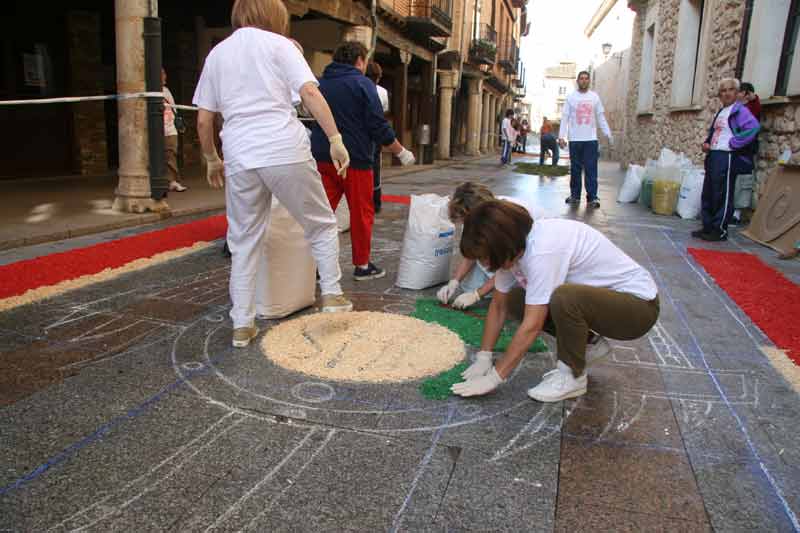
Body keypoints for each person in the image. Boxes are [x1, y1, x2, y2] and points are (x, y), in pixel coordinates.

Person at [193, 0, 354, 348]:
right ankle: (331, 293)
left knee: (244, 242)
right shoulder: (280, 45)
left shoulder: (217, 54)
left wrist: (211, 159)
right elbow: (310, 92)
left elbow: (204, 119)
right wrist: (335, 139)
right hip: (284, 149)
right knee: (320, 223)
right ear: (274, 15)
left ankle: (242, 324)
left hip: (239, 154)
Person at [450, 200, 660, 402]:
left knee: (565, 298)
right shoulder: (514, 247)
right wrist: (484, 357)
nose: (485, 265)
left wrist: (494, 377)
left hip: (637, 309)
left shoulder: (542, 250)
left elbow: (532, 325)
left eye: (485, 258)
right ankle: (589, 345)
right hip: (604, 304)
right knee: (516, 299)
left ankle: (572, 376)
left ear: (502, 246)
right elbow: (498, 305)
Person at [311, 41, 415, 281]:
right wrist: (400, 151)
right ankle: (362, 265)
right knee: (361, 214)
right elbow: (377, 124)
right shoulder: (363, 84)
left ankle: (316, 267)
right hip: (356, 160)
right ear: (360, 60)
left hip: (323, 158)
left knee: (322, 214)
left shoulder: (320, 84)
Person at [437, 182, 535, 309]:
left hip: (523, 257)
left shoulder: (505, 221)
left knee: (507, 298)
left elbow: (507, 264)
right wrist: (455, 281)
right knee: (469, 286)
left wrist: (477, 294)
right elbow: (473, 251)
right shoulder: (476, 218)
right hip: (506, 254)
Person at [693, 78, 760, 242]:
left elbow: (754, 127)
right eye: (723, 90)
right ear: (720, 94)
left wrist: (734, 143)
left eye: (730, 89)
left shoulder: (740, 111)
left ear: (737, 93)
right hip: (714, 155)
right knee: (708, 192)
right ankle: (708, 227)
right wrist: (707, 143)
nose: (726, 93)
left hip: (727, 156)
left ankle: (719, 230)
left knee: (722, 194)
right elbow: (715, 132)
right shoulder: (722, 111)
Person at [558, 71, 613, 208]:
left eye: (586, 79)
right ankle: (575, 196)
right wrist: (561, 136)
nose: (583, 81)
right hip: (575, 140)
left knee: (591, 170)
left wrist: (608, 133)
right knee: (575, 170)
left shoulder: (594, 97)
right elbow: (565, 117)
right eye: (581, 79)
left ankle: (592, 198)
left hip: (590, 140)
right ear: (577, 81)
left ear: (589, 81)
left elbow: (600, 116)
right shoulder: (571, 97)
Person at [366, 61, 389, 215]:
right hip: (375, 135)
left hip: (359, 134)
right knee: (375, 167)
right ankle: (376, 202)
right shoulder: (382, 92)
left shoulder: (357, 86)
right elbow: (384, 112)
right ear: (378, 77)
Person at [161, 68, 187, 192]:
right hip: (157, 130)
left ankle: (173, 181)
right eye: (162, 74)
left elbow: (174, 108)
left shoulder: (166, 91)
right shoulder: (150, 92)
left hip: (169, 128)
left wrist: (177, 123)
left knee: (171, 154)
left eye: (165, 74)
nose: (165, 77)